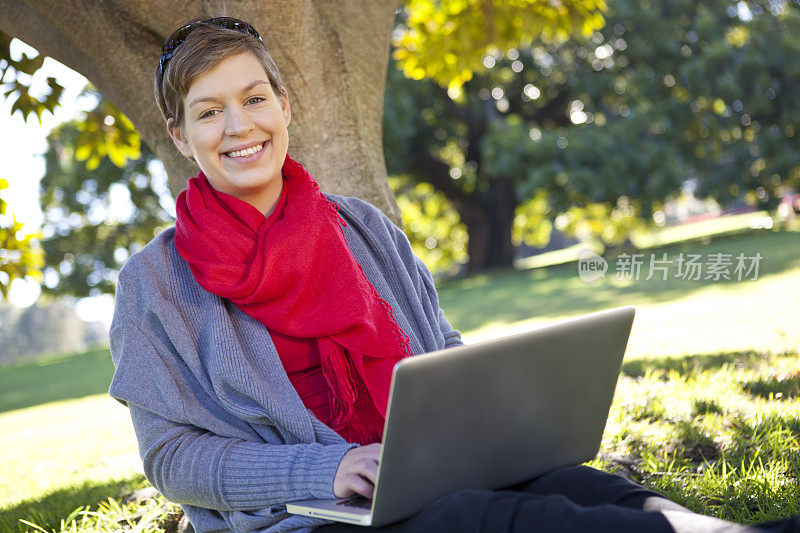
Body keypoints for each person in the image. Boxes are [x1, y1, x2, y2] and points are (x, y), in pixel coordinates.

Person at [108, 17, 799, 533]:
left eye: (255, 98)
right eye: (209, 110)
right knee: (478, 517)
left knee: (580, 488)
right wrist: (327, 468)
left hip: (424, 469)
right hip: (310, 517)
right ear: (179, 135)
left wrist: (495, 422)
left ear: (285, 106)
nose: (240, 125)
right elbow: (172, 457)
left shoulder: (361, 228)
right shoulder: (154, 285)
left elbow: (439, 352)